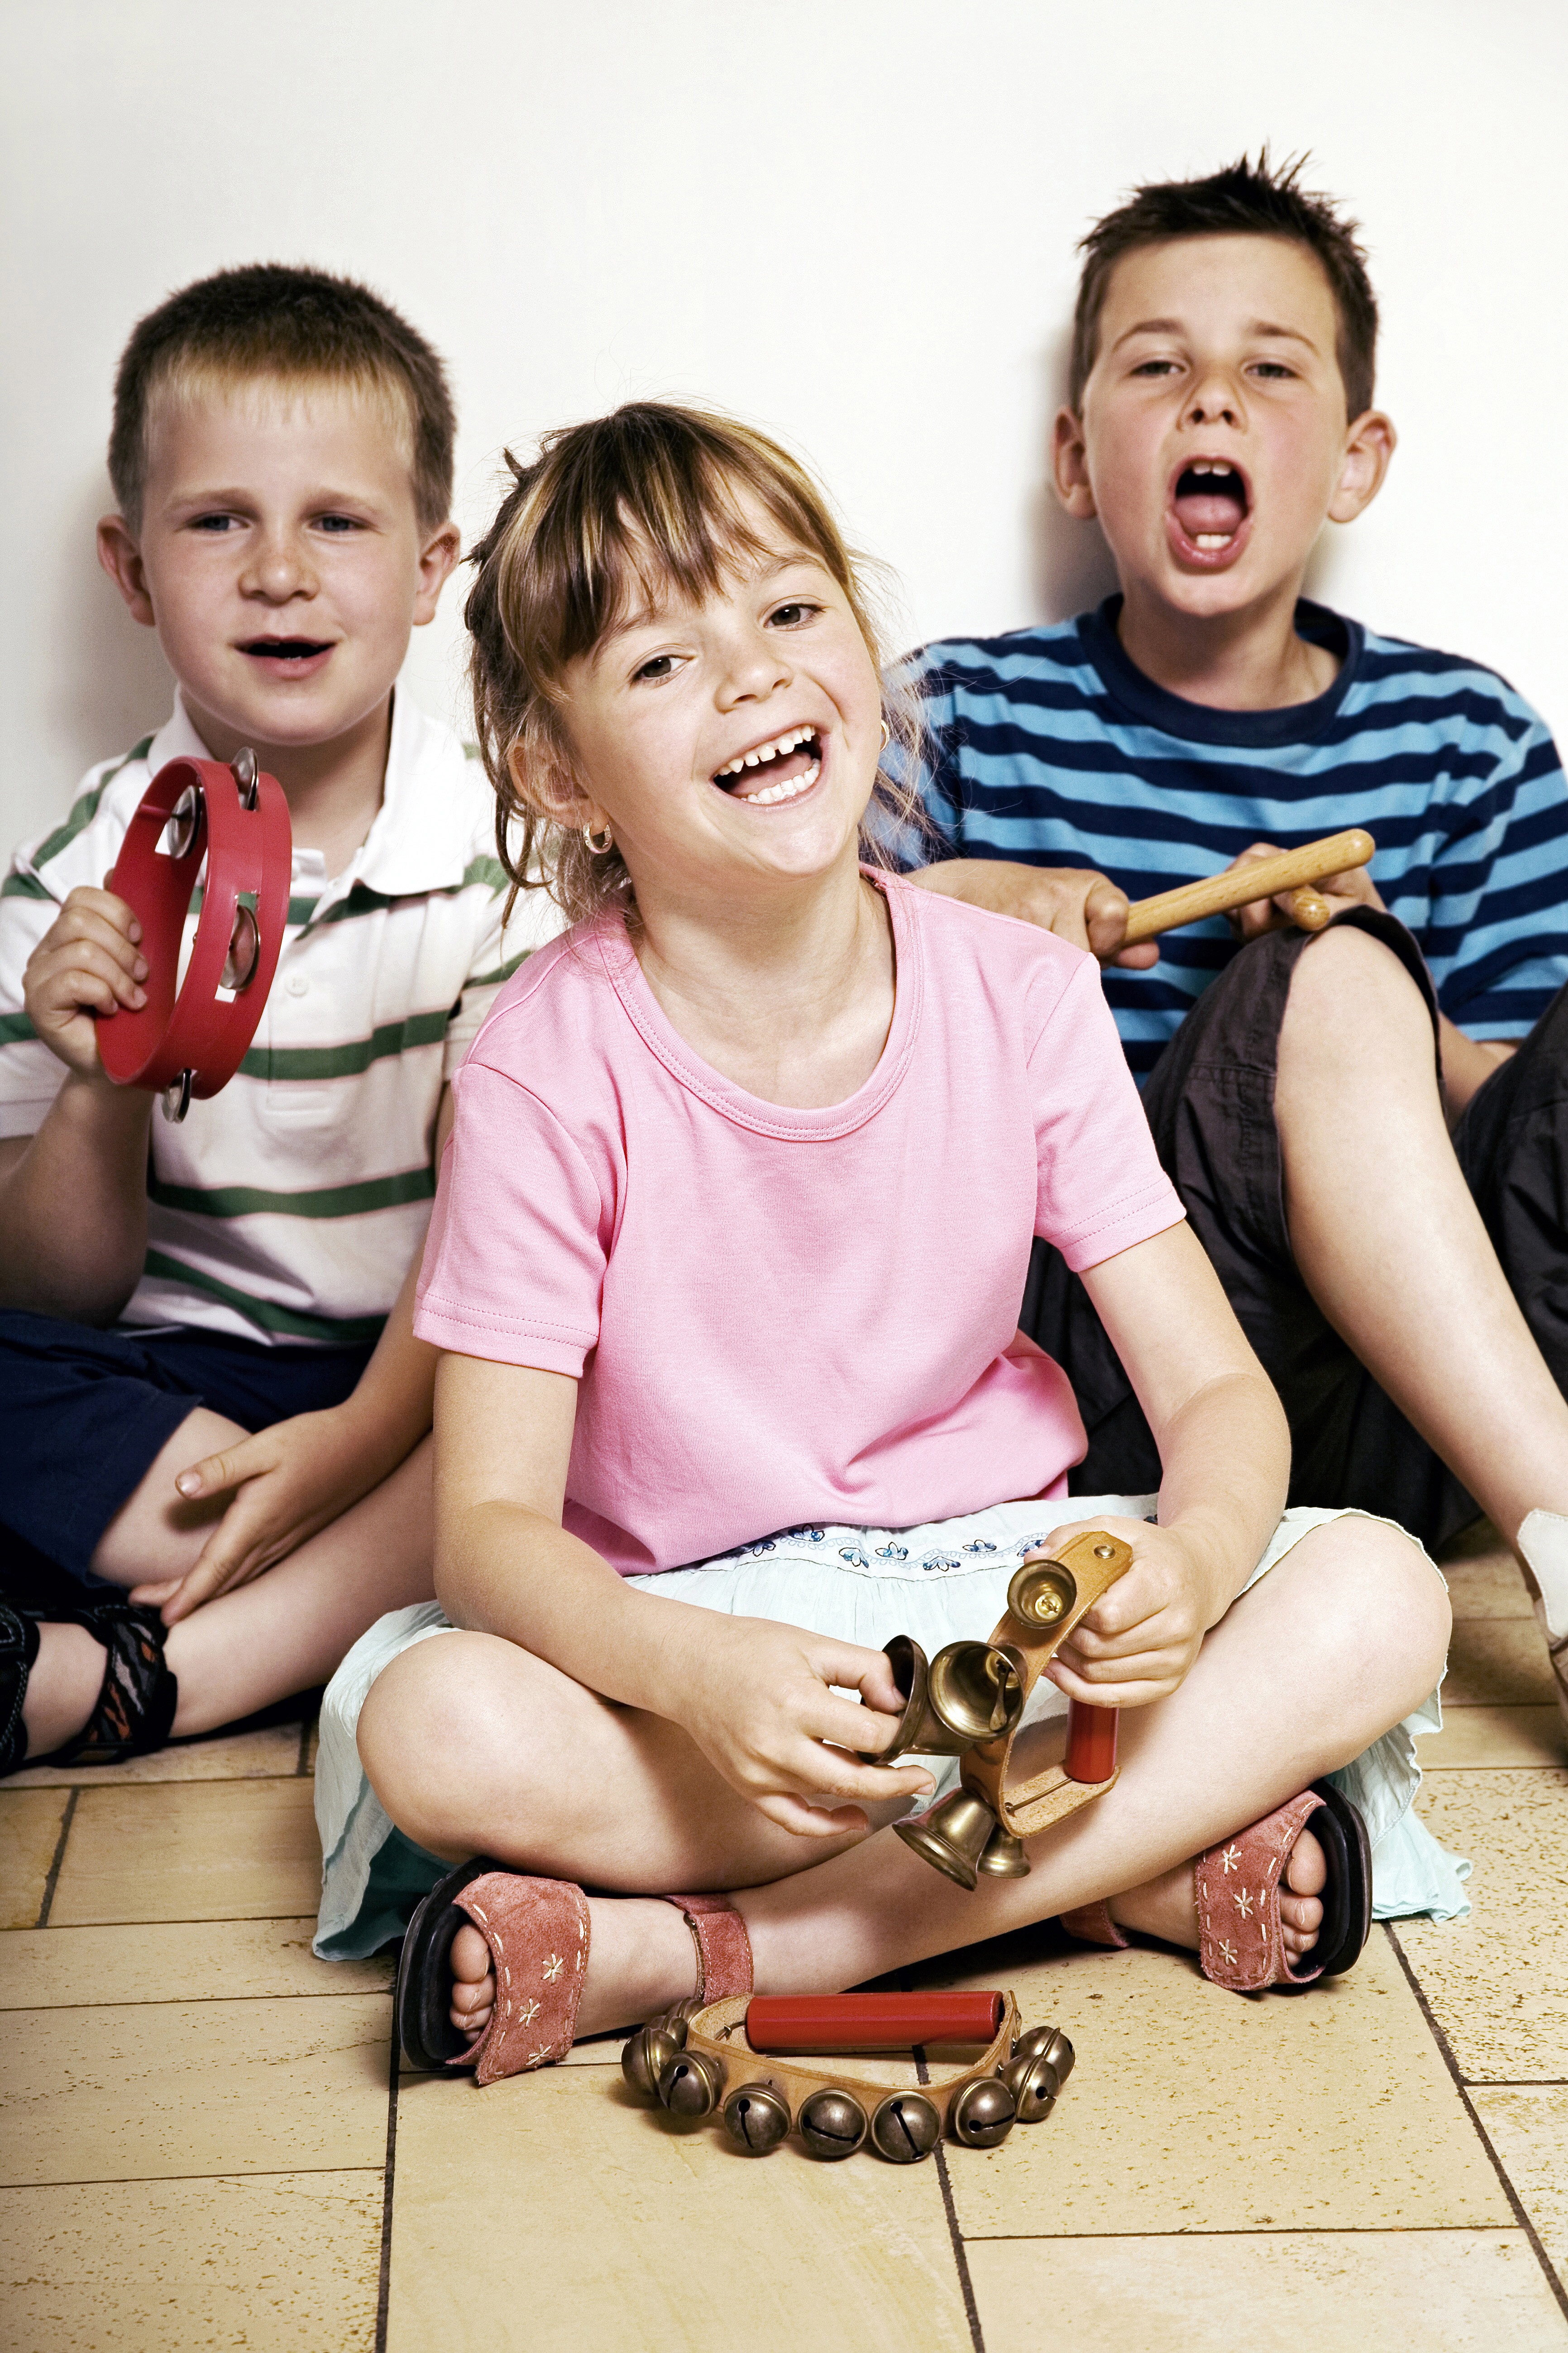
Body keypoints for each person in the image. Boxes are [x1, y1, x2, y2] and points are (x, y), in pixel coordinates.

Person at [314, 401, 1457, 2076]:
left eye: (789, 613)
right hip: (710, 1644)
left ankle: (726, 1949)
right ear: (558, 775)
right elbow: (486, 1535)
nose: (756, 678)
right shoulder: (539, 1070)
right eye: (660, 664)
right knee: (434, 1723)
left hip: (1006, 1606)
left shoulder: (1025, 995)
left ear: (861, 637)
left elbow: (1217, 1398)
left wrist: (1195, 1563)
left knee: (1381, 1594)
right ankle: (1104, 1879)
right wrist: (697, 1675)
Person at [897, 156, 1568, 1738]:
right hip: (1135, 1381)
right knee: (1307, 981)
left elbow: (1524, 1135)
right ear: (1077, 456)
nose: (1213, 401)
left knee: (1345, 975)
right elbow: (759, 1002)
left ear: (1353, 457)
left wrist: (1382, 984)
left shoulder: (1467, 739)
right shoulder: (956, 720)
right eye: (1157, 366)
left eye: (1272, 368)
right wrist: (952, 913)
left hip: (1432, 1398)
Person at [0, 265, 553, 1775]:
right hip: (174, 1381)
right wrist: (104, 1078)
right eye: (216, 520)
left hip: (427, 1380)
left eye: (338, 521)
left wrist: (352, 1448)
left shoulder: (508, 868)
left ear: (434, 565)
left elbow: (507, 1253)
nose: (278, 573)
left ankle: (156, 1658)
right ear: (131, 569)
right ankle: (314, 1590)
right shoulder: (72, 878)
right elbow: (56, 1290)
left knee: (578, 1407)